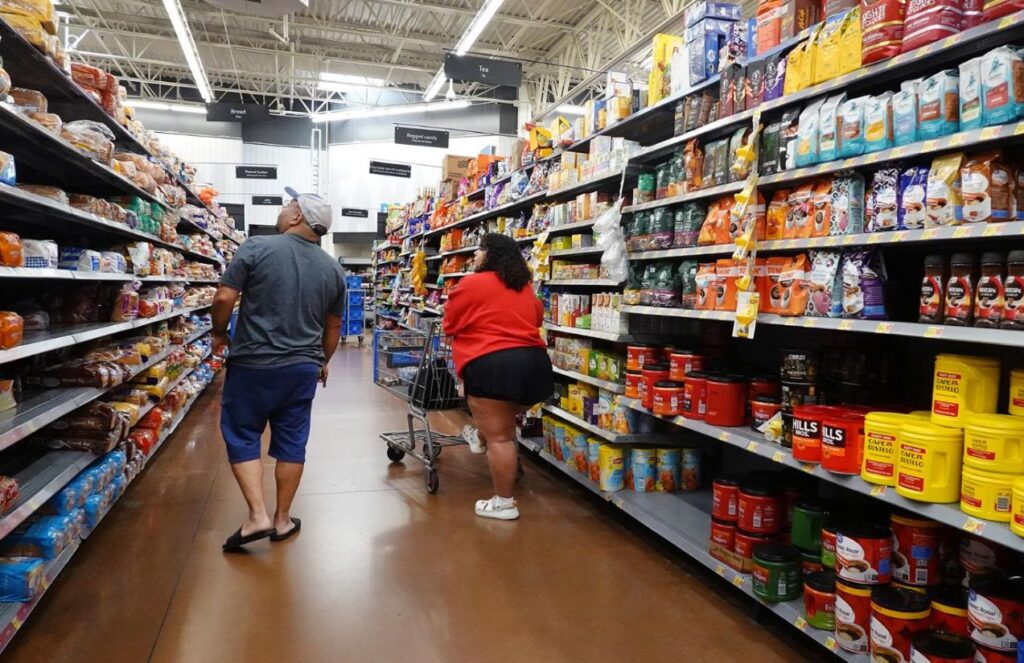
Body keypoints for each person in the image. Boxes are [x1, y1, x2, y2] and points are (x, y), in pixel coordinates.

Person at [212, 187, 347, 551]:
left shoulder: (257, 247)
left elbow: (225, 297)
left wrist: (219, 333)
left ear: (298, 215)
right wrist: (323, 360)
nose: (283, 208)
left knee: (242, 434)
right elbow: (333, 328)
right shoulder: (334, 270)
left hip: (254, 363)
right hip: (302, 367)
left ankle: (257, 515)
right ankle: (282, 519)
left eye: (288, 204)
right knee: (292, 441)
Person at [442, 233, 553, 521]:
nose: (475, 256)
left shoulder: (471, 284)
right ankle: (479, 435)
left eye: (479, 250)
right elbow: (537, 317)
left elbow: (450, 323)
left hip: (492, 364)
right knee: (500, 424)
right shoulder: (524, 287)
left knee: (501, 438)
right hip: (535, 368)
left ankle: (504, 503)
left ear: (490, 254)